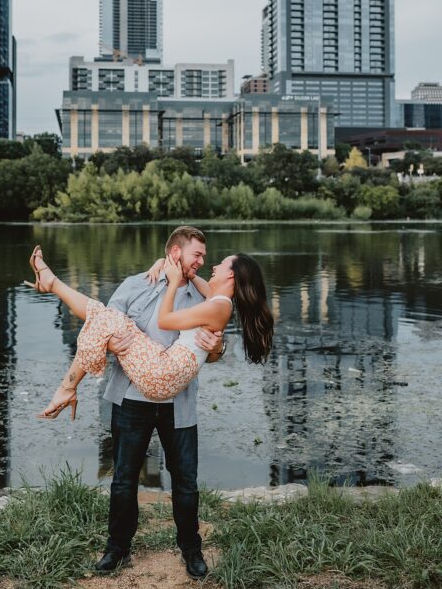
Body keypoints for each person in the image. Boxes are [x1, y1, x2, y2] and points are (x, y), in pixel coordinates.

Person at [24, 226, 274, 581]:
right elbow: (99, 331)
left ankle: (191, 549)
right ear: (175, 253)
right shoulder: (136, 284)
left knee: (185, 482)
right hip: (131, 398)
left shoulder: (206, 298)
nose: (203, 262)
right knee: (124, 479)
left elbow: (212, 350)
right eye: (197, 255)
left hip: (179, 403)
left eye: (207, 258)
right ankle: (117, 547)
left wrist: (217, 348)